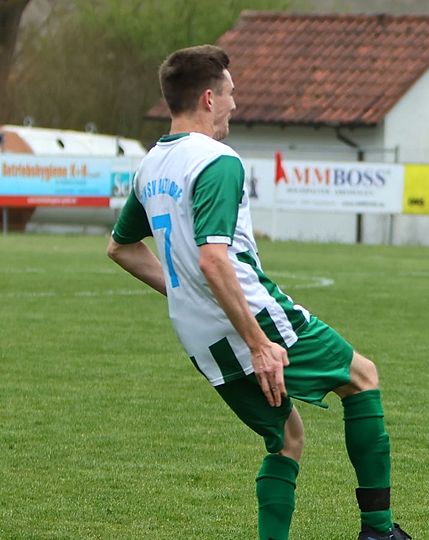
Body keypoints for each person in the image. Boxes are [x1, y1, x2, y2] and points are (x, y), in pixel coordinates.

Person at [106, 45, 410, 540]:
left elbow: (121, 248)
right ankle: (378, 530)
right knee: (362, 377)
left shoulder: (150, 166)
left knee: (287, 438)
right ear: (208, 99)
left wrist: (185, 295)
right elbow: (213, 258)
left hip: (199, 335)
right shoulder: (216, 160)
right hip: (253, 317)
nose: (235, 104)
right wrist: (258, 342)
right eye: (230, 93)